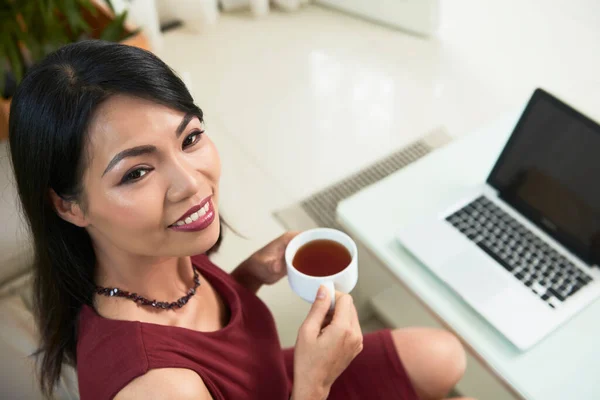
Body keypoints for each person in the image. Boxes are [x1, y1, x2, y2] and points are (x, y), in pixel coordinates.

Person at [8, 40, 472, 400]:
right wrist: (313, 383)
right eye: (137, 171)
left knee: (444, 356)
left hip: (271, 380)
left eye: (189, 138)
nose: (191, 183)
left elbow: (203, 342)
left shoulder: (153, 253)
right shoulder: (159, 388)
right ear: (70, 205)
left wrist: (249, 274)